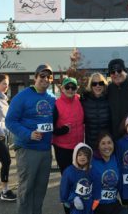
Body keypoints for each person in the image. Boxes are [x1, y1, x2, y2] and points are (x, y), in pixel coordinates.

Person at [5, 64, 55, 214]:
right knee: (26, 189)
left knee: (40, 190)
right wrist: (28, 134)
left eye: (49, 77)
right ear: (35, 77)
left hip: (45, 150)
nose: (45, 79)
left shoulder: (52, 98)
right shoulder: (22, 96)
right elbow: (10, 121)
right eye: (42, 76)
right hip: (27, 149)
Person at [52, 77, 84, 214]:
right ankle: (68, 209)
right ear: (62, 89)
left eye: (73, 87)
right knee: (68, 180)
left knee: (80, 180)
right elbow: (50, 128)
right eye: (67, 87)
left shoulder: (80, 100)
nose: (70, 89)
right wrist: (62, 130)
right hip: (63, 149)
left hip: (78, 148)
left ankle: (80, 208)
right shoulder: (56, 104)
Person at [91, 131, 128, 214]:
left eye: (109, 143)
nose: (107, 146)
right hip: (96, 206)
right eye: (103, 143)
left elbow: (120, 183)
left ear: (113, 145)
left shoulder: (116, 159)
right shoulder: (92, 162)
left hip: (113, 204)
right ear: (98, 146)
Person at [107, 58, 128, 141]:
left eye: (119, 70)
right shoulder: (109, 89)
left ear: (125, 71)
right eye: (112, 72)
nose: (116, 73)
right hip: (114, 137)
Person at [60, 142, 93, 214]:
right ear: (75, 156)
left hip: (89, 204)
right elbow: (64, 187)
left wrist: (96, 198)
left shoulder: (92, 170)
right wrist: (68, 199)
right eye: (80, 155)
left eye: (85, 155)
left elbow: (96, 185)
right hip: (75, 205)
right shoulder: (69, 172)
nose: (83, 157)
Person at [81, 72, 110, 150]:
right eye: (94, 84)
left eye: (100, 83)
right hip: (91, 143)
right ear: (91, 85)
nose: (98, 86)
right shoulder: (84, 100)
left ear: (104, 85)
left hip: (106, 143)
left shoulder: (109, 99)